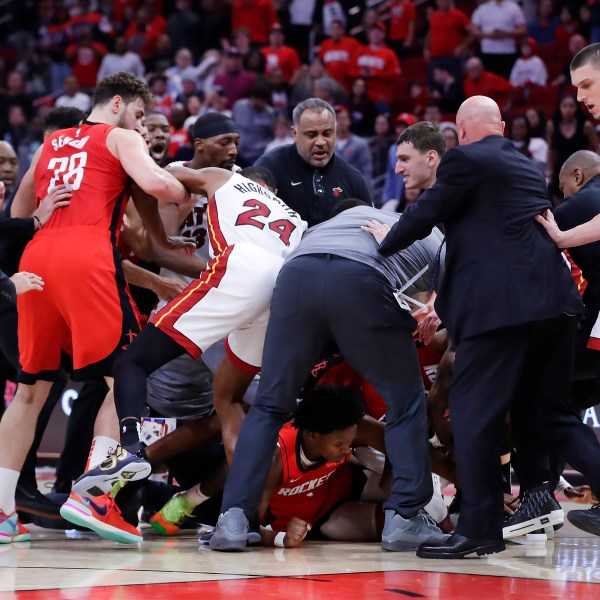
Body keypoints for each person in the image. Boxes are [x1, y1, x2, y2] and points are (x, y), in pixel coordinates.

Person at [372, 95, 600, 559]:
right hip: (556, 306)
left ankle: (478, 528)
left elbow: (424, 214)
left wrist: (384, 241)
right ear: (500, 124)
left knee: (474, 413)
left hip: (502, 312)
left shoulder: (466, 160)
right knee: (554, 414)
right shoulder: (524, 165)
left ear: (461, 130)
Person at [209, 123, 448, 553]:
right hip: (359, 282)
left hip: (296, 275)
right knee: (406, 402)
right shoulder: (424, 229)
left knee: (270, 403)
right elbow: (457, 292)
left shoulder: (327, 225)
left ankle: (232, 520)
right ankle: (406, 518)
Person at [0, 72, 188, 544]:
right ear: (119, 103)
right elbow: (157, 185)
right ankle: (94, 495)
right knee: (125, 370)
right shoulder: (120, 136)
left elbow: (20, 215)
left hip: (37, 259)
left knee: (30, 390)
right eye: (141, 115)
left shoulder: (49, 145)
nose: (143, 127)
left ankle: (2, 512)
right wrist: (189, 187)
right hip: (87, 259)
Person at [71, 165, 307, 501]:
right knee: (232, 400)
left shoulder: (224, 178)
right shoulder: (296, 220)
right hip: (281, 294)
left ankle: (131, 449)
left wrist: (161, 234)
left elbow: (159, 175)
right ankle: (240, 512)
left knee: (131, 364)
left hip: (241, 267)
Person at [255, 98, 372, 226]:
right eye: (312, 134)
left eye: (327, 134)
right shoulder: (269, 168)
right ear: (295, 134)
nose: (321, 142)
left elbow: (370, 228)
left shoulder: (352, 178)